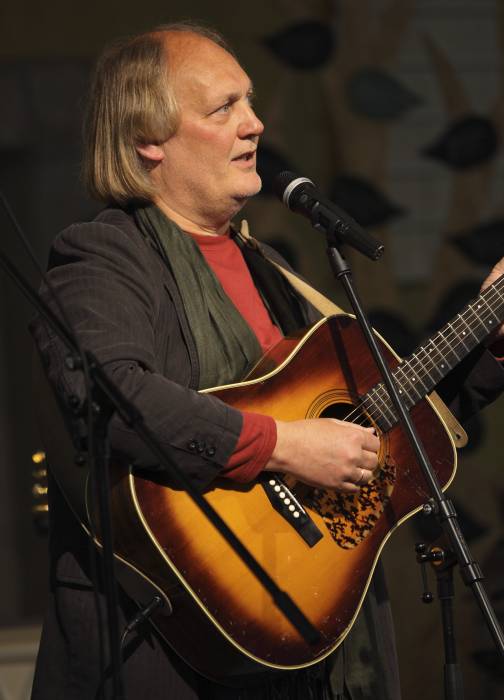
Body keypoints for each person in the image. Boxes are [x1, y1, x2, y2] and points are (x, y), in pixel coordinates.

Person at [30, 22, 504, 700]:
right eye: (223, 107)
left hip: (305, 644)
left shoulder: (270, 269)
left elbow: (383, 426)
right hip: (163, 649)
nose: (254, 123)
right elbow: (113, 398)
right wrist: (284, 445)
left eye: (250, 101)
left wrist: (492, 337)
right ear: (147, 139)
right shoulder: (104, 256)